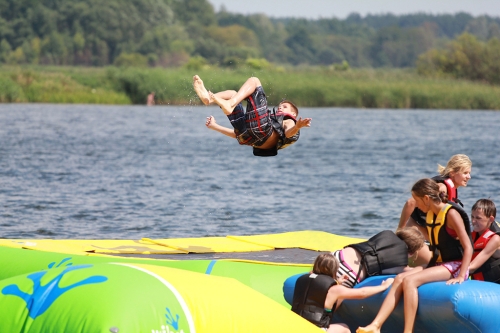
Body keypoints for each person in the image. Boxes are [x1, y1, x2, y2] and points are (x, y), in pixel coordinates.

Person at [357, 178, 472, 333]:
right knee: (399, 279)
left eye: (418, 201)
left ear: (426, 199)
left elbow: (468, 247)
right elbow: (436, 240)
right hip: (440, 263)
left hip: (456, 265)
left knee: (410, 281)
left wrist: (461, 275)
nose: (416, 205)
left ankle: (408, 331)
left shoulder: (451, 214)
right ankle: (376, 325)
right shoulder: (432, 214)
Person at [193, 75, 312, 156]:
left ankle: (226, 103)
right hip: (249, 139)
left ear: (293, 114)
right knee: (232, 94)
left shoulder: (290, 120)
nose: (280, 107)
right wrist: (215, 126)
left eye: (285, 107)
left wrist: (297, 127)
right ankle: (208, 99)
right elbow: (239, 135)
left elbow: (288, 132)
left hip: (264, 132)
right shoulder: (273, 121)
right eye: (280, 106)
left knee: (254, 80)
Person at [397, 154, 472, 266]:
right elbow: (411, 202)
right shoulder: (442, 187)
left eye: (469, 173)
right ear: (452, 173)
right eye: (465, 173)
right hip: (415, 233)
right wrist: (400, 231)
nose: (469, 176)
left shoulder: (451, 188)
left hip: (426, 233)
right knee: (432, 263)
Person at [292, 252, 394, 333]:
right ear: (334, 270)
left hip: (297, 327)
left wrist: (337, 282)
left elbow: (316, 294)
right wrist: (383, 286)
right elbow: (362, 293)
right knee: (344, 328)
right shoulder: (335, 289)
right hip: (315, 329)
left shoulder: (301, 280)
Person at [333, 228, 426, 288]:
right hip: (348, 273)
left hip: (336, 256)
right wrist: (428, 266)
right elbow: (414, 271)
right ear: (412, 253)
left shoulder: (386, 235)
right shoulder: (400, 266)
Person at [469, 199, 500, 283]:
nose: (473, 221)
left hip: (495, 284)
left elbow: (472, 267)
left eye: (478, 218)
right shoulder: (472, 236)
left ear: (491, 219)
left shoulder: (495, 239)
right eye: (472, 217)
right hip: (481, 282)